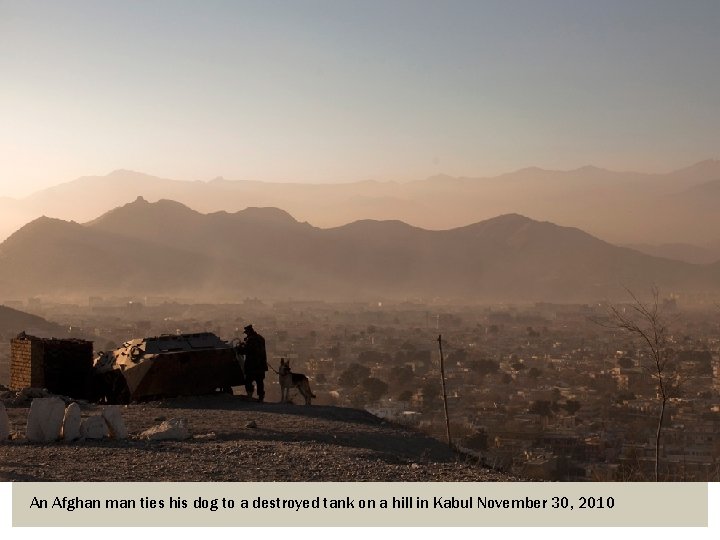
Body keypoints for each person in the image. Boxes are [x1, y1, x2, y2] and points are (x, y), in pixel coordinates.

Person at [241, 324, 268, 402]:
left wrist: (240, 348)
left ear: (248, 332)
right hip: (261, 365)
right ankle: (261, 397)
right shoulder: (261, 338)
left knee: (248, 381)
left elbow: (246, 351)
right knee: (260, 382)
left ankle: (250, 395)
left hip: (252, 366)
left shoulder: (251, 340)